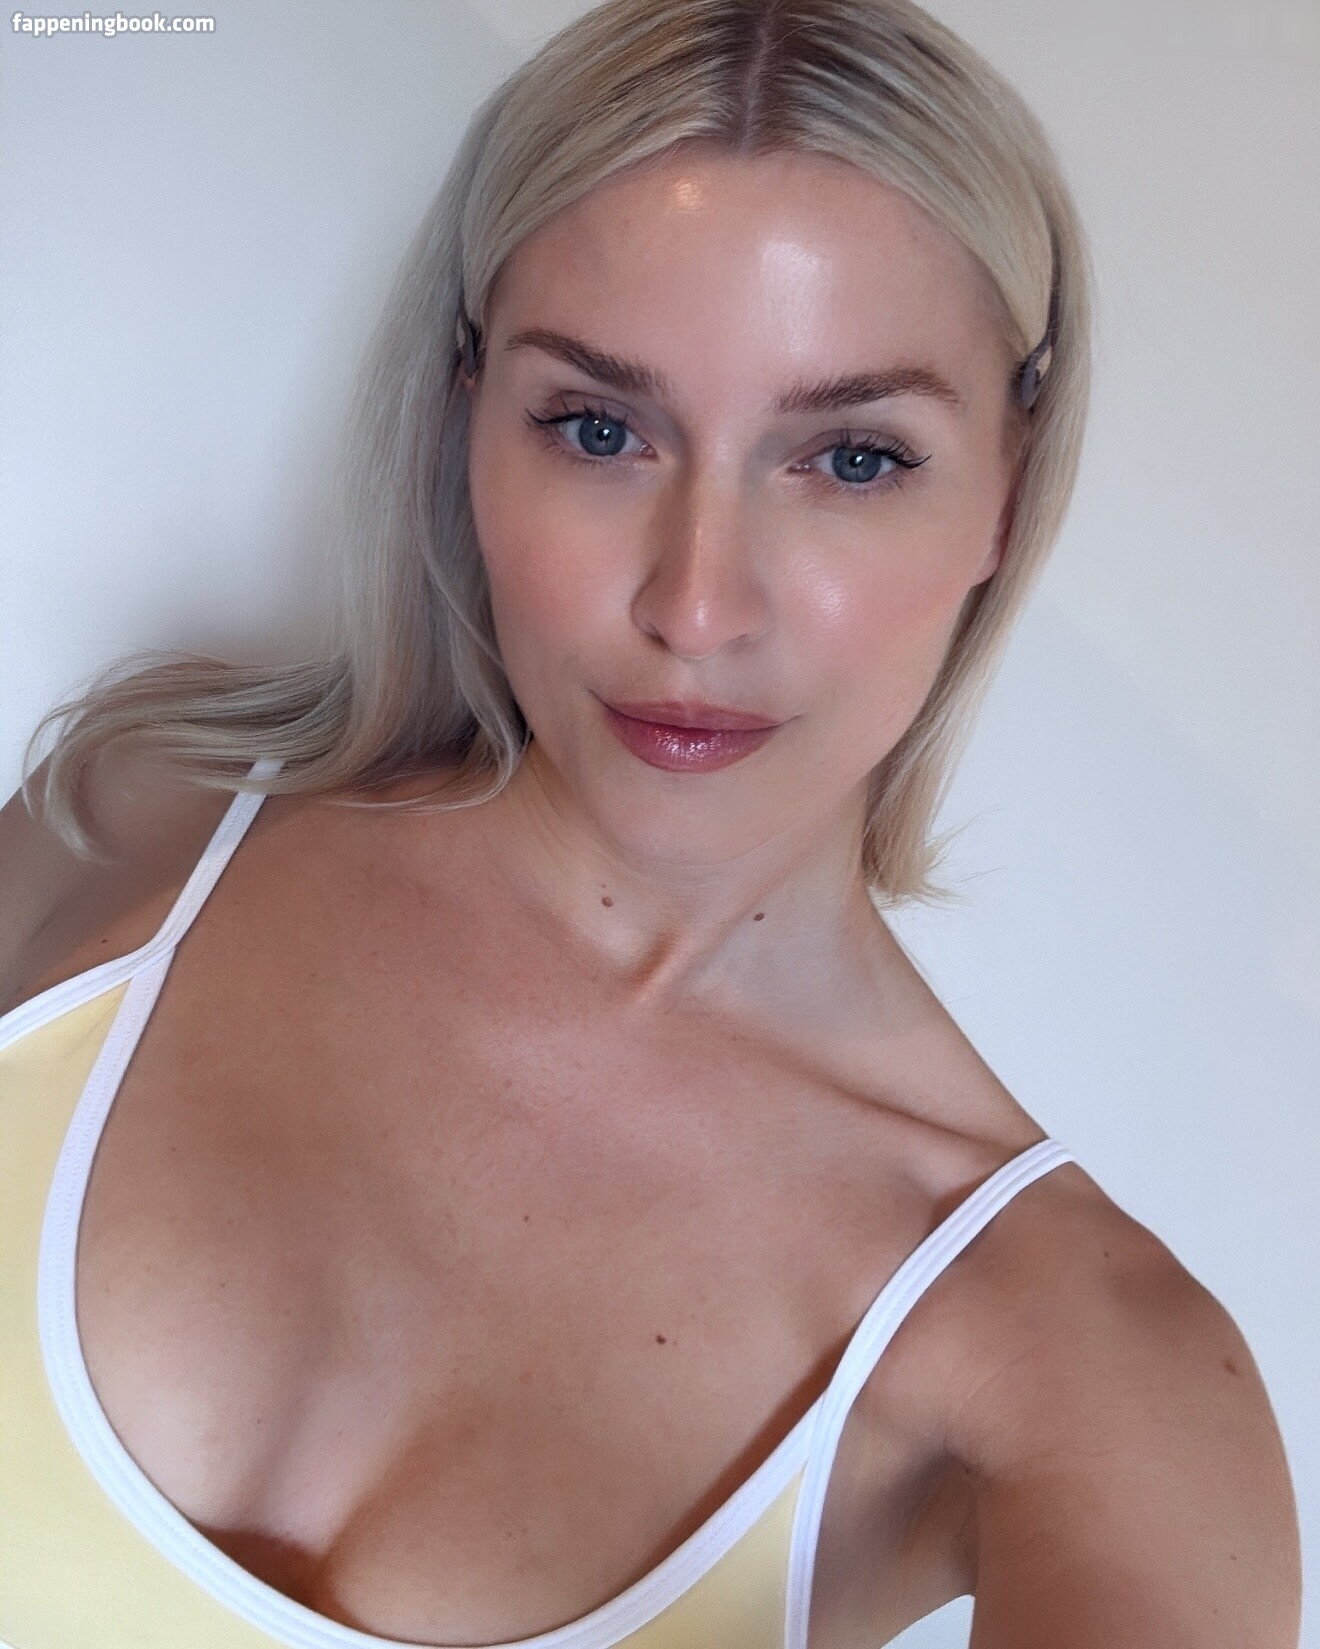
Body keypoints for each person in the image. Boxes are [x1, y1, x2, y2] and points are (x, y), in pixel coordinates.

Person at [0, 0, 1301, 1644]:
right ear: (469, 411)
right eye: (600, 429)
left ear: (1009, 484)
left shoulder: (1080, 1360)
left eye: (852, 458)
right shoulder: (146, 823)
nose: (694, 605)